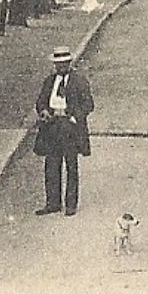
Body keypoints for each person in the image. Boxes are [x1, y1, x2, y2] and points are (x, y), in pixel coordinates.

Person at [33, 46, 94, 216]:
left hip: (70, 127)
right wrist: (43, 111)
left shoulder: (79, 81)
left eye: (63, 64)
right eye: (57, 64)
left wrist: (74, 117)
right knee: (51, 165)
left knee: (71, 165)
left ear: (69, 63)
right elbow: (40, 101)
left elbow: (89, 105)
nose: (60, 67)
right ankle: (52, 203)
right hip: (52, 127)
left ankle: (71, 205)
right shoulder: (49, 81)